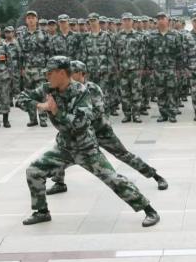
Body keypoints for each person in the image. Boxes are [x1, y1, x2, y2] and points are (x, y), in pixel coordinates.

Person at [16, 56, 160, 228]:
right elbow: (20, 98)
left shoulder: (81, 92)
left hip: (86, 148)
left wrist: (56, 112)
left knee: (113, 179)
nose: (46, 76)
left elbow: (81, 123)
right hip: (64, 146)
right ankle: (42, 212)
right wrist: (41, 106)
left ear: (61, 73)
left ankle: (149, 210)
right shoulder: (48, 88)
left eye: (50, 73)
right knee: (34, 171)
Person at [46, 60, 168, 194]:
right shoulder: (64, 90)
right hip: (78, 132)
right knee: (60, 152)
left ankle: (156, 176)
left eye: (72, 73)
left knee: (124, 155)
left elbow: (97, 112)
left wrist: (76, 119)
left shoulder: (92, 89)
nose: (68, 76)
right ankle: (59, 183)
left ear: (81, 74)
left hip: (100, 131)